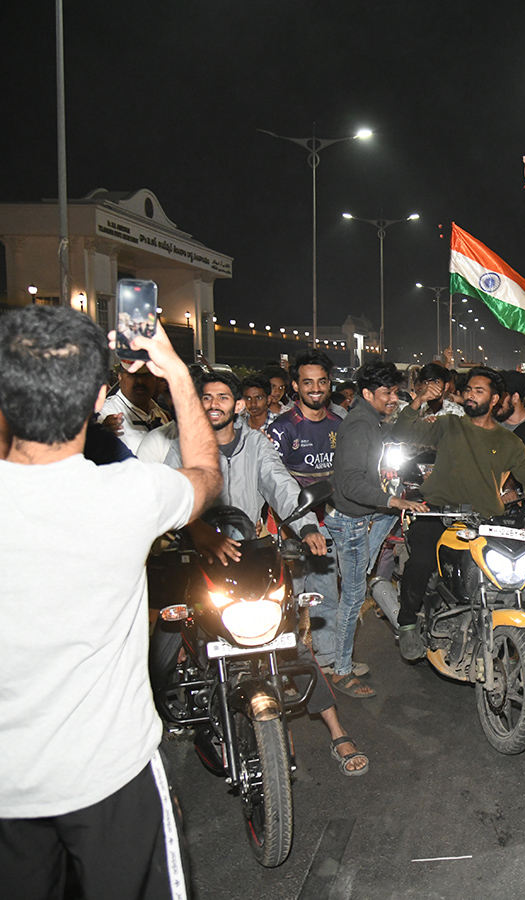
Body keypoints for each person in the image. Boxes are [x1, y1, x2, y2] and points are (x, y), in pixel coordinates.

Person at [0, 306, 222, 899]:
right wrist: (175, 373)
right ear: (101, 398)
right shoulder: (130, 495)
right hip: (110, 774)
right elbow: (204, 471)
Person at [166, 371, 369, 774]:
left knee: (289, 637)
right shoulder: (181, 448)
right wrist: (198, 532)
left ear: (237, 405)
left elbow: (280, 485)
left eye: (223, 397)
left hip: (252, 557)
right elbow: (172, 495)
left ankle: (336, 729)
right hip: (198, 558)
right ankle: (173, 713)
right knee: (173, 639)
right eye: (205, 397)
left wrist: (308, 526)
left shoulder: (256, 444)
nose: (214, 404)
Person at [392, 366, 525, 661]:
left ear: (494, 400)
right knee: (423, 559)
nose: (470, 396)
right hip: (437, 513)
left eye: (479, 391)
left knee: (514, 569)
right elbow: (402, 432)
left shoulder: (509, 442)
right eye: (468, 390)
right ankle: (408, 622)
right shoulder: (450, 425)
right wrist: (420, 399)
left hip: (485, 521)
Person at [327, 363, 428, 693]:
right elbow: (352, 485)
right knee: (352, 598)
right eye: (387, 393)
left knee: (359, 577)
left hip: (361, 518)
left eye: (396, 392)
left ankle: (341, 653)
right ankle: (341, 670)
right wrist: (394, 501)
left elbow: (392, 434)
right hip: (352, 521)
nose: (393, 399)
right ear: (367, 393)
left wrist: (417, 406)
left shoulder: (370, 420)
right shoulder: (358, 426)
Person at [268, 350, 348, 679]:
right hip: (290, 528)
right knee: (288, 597)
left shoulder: (340, 425)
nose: (315, 388)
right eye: (307, 382)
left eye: (322, 382)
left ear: (330, 385)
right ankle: (285, 665)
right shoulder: (282, 428)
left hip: (329, 522)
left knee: (327, 592)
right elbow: (271, 481)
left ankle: (328, 660)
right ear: (295, 386)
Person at [100, 361, 173, 453]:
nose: (140, 381)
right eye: (132, 375)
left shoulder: (161, 414)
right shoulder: (105, 414)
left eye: (146, 375)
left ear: (155, 378)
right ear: (120, 376)